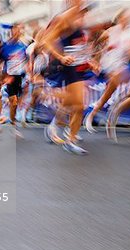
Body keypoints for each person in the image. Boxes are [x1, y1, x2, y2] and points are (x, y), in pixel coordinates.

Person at [42, 0, 97, 154]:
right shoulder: (64, 19)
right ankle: (68, 138)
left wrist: (89, 60)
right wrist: (61, 57)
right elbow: (45, 41)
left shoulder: (81, 17)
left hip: (79, 65)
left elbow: (79, 44)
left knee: (77, 104)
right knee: (79, 104)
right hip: (67, 66)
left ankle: (65, 134)